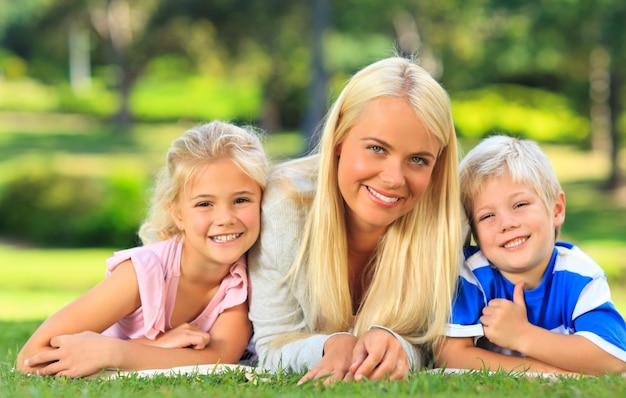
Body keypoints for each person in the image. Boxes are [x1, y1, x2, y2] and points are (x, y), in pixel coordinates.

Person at [248, 55, 463, 384]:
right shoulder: (285, 207)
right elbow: (272, 343)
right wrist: (329, 347)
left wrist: (399, 348)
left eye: (418, 159)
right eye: (377, 149)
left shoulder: (448, 224)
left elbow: (432, 342)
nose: (394, 179)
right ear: (338, 141)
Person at [16, 120, 269, 377]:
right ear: (177, 214)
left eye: (241, 200)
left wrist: (116, 353)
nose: (225, 218)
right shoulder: (143, 274)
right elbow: (30, 357)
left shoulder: (243, 277)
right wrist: (154, 346)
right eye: (204, 204)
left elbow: (220, 358)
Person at [435, 135, 626, 375]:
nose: (506, 223)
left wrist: (522, 335)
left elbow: (614, 356)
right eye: (487, 216)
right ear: (473, 231)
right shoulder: (472, 274)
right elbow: (450, 356)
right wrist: (555, 374)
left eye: (520, 205)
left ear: (556, 209)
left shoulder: (579, 275)